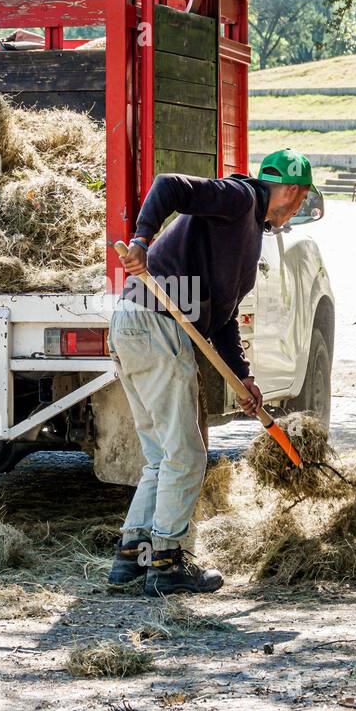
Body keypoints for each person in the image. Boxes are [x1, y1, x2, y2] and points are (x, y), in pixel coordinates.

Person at [109, 150, 314, 595]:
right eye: (300, 202)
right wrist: (141, 240)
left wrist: (243, 379)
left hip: (135, 323)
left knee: (163, 455)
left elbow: (222, 318)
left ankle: (132, 556)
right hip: (154, 322)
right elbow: (169, 185)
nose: (296, 210)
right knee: (188, 455)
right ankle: (166, 563)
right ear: (294, 193)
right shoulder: (240, 197)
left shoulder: (250, 231)